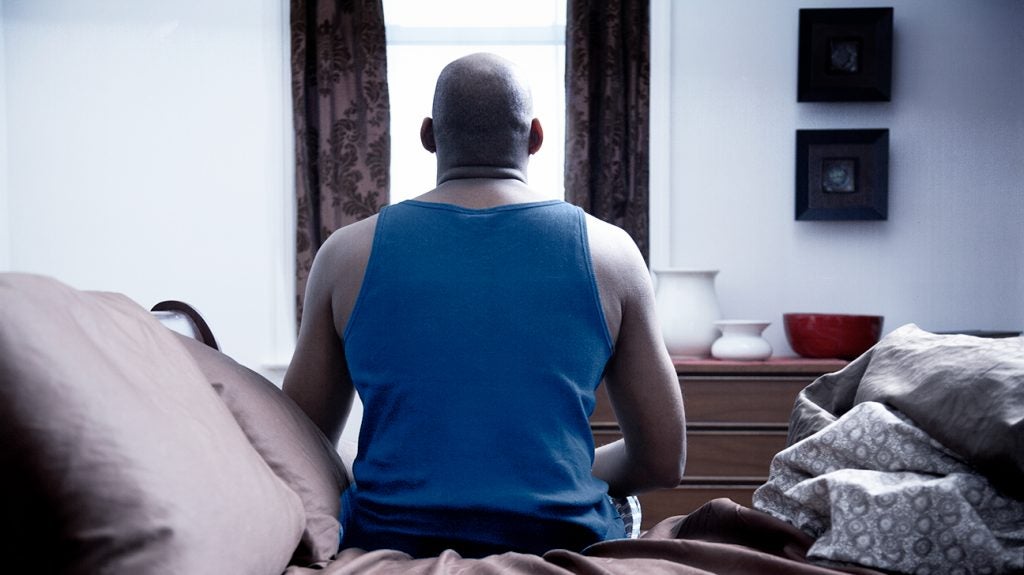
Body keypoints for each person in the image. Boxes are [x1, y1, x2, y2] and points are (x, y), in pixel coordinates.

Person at [283, 52, 685, 558]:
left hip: (391, 539)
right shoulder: (612, 253)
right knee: (626, 510)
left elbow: (296, 445)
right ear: (536, 136)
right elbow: (663, 461)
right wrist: (557, 474)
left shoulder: (344, 254)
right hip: (561, 538)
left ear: (428, 135)